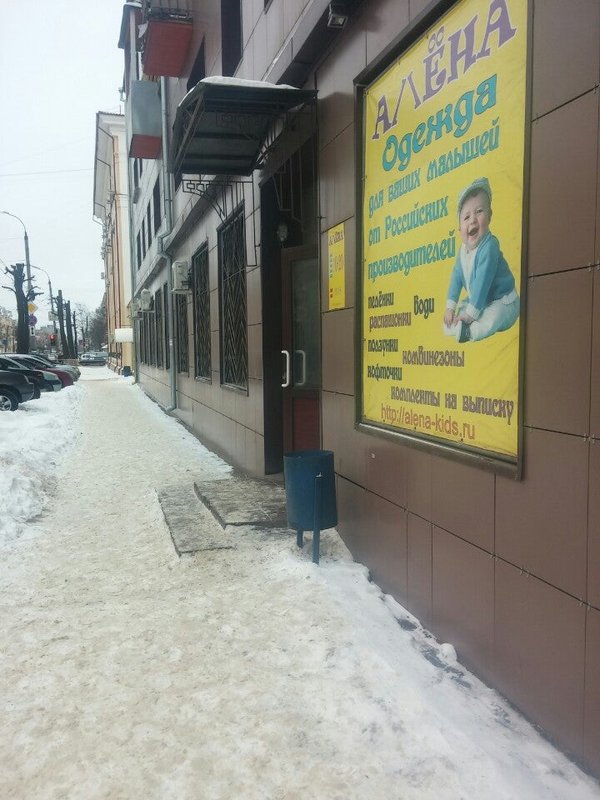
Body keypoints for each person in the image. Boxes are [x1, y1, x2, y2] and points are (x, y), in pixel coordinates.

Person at [442, 177, 519, 343]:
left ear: (489, 216)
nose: (472, 220)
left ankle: (470, 331)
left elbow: (482, 281)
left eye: (479, 212)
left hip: (503, 300)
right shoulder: (463, 252)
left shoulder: (489, 246)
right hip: (482, 301)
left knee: (494, 315)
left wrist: (470, 315)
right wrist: (450, 307)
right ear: (460, 228)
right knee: (455, 315)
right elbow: (456, 279)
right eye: (466, 217)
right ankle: (458, 324)